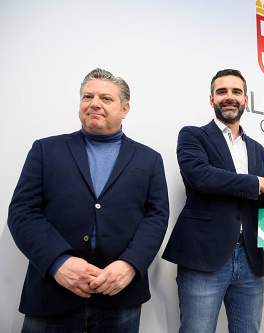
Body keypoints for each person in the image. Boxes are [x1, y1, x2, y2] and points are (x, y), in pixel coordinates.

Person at [8, 68, 170, 332]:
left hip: (120, 297)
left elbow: (157, 216)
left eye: (106, 98)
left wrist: (130, 265)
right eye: (87, 97)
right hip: (52, 294)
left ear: (125, 109)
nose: (94, 103)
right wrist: (58, 263)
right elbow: (22, 213)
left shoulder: (149, 159)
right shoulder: (45, 149)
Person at [162, 69, 264, 333]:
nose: (229, 97)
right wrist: (258, 183)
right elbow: (201, 177)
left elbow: (261, 201)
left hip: (250, 257)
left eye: (236, 92)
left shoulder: (258, 149)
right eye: (222, 92)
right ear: (211, 99)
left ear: (246, 100)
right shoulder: (193, 135)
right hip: (203, 256)